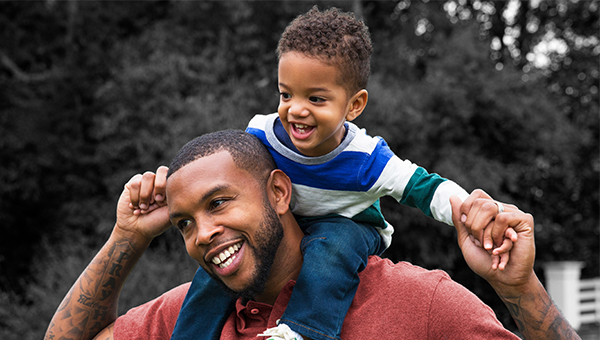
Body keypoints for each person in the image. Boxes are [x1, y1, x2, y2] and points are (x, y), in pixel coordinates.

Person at [170, 7, 516, 340]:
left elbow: (427, 189)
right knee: (208, 278)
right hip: (293, 220)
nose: (296, 110)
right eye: (285, 94)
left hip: (349, 225)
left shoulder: (367, 160)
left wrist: (479, 214)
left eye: (316, 99)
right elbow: (228, 172)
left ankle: (302, 331)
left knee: (327, 253)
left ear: (354, 105)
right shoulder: (263, 133)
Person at [45, 130, 580, 340]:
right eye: (185, 223)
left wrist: (519, 289)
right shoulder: (178, 317)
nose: (203, 233)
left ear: (280, 193)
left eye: (219, 203)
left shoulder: (418, 303)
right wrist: (127, 237)